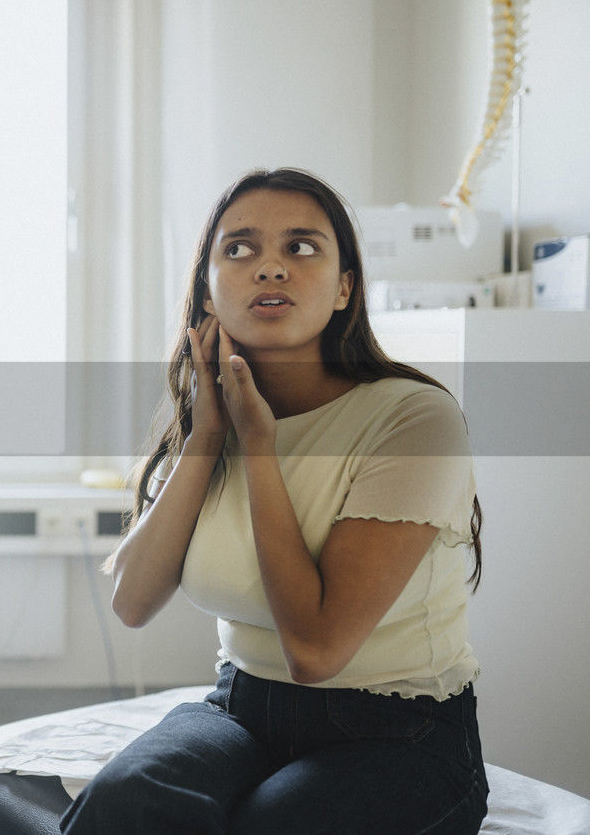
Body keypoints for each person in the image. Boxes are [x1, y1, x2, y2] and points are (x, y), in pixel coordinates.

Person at [61, 168, 489, 834]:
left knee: (274, 824)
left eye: (301, 247)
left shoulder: (415, 419)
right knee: (127, 798)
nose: (269, 268)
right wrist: (207, 434)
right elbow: (133, 601)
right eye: (238, 248)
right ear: (207, 288)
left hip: (400, 729)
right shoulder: (216, 417)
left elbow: (315, 651)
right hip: (239, 708)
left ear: (345, 285)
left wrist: (260, 444)